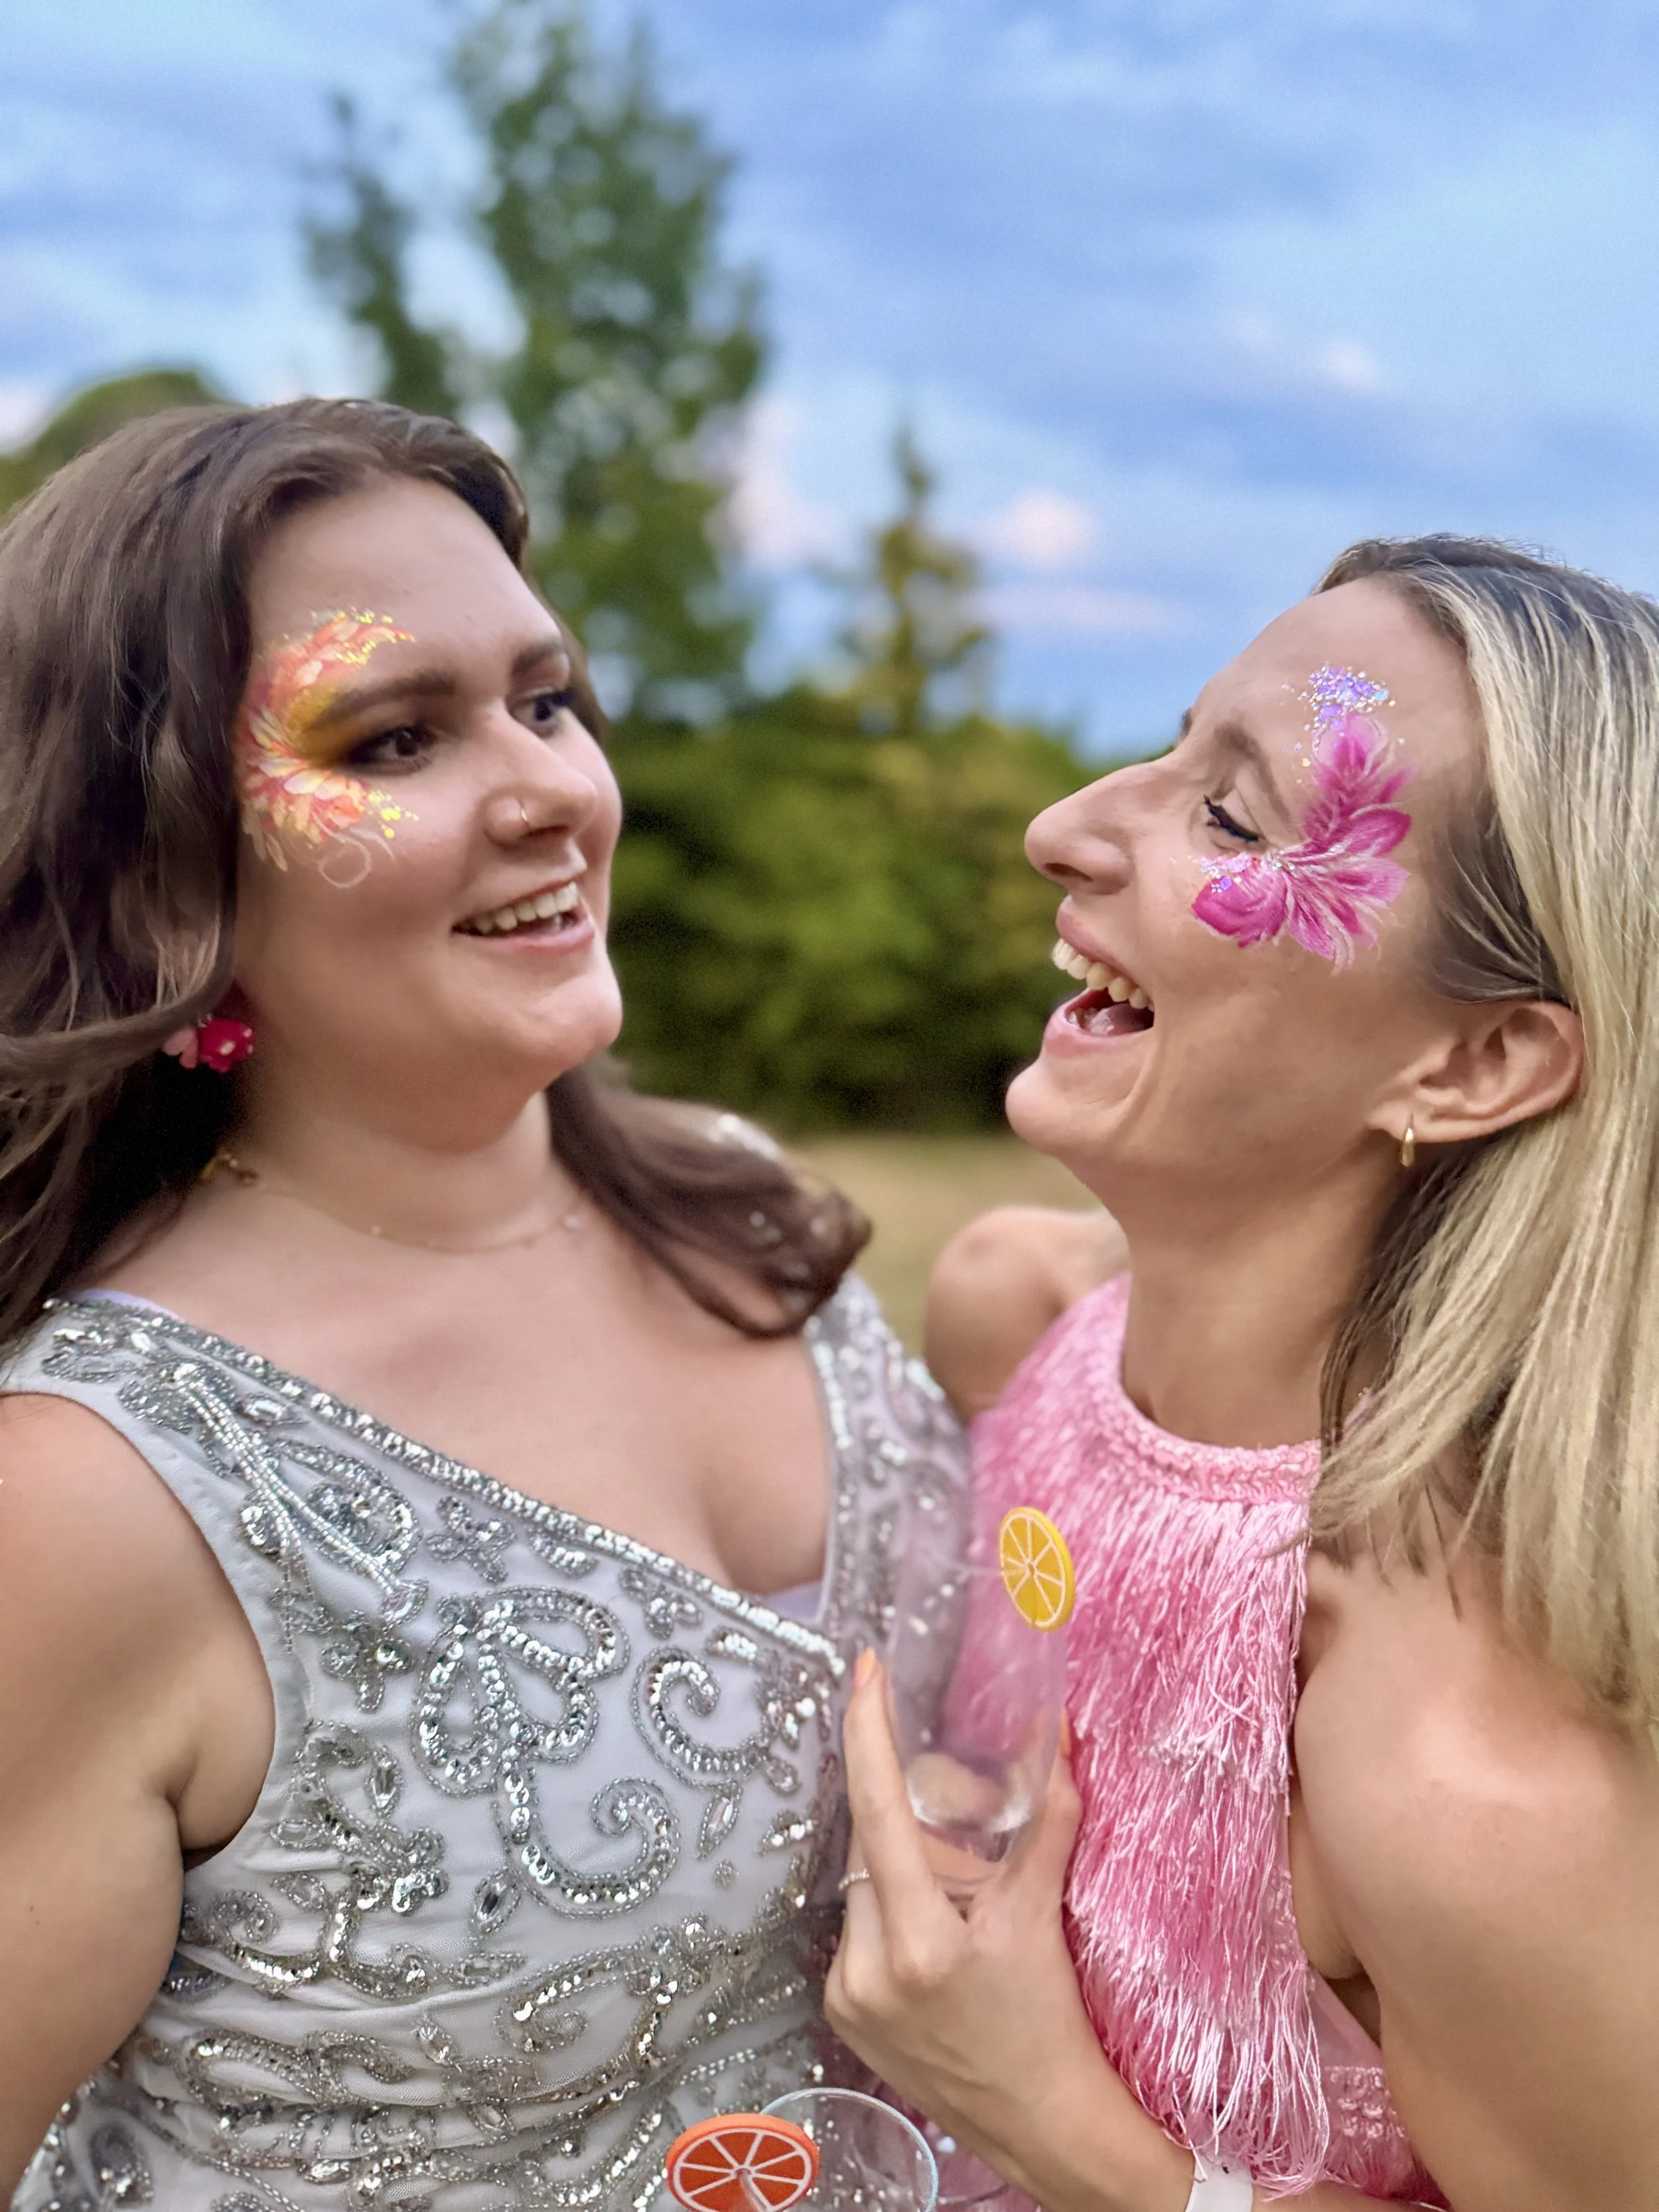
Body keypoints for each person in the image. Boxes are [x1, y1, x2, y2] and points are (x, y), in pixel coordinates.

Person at [0, 398, 967, 2210]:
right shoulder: (84, 1500)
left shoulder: (751, 1206)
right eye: (391, 737)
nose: (550, 789)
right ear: (162, 869)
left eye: (545, 698)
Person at [826, 538, 1659, 2211]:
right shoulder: (1018, 1320)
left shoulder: (1457, 1762)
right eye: (1167, 742)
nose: (1062, 827)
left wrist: (1050, 2120)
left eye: (1229, 814)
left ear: (1476, 1060)